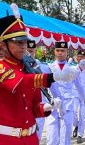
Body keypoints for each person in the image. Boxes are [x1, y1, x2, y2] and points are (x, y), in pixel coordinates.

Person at [0, 12, 59, 145]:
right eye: (18, 42)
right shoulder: (1, 66)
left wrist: (45, 108)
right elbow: (21, 82)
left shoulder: (28, 66)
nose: (23, 46)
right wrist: (51, 77)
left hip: (31, 138)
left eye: (25, 42)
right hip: (7, 140)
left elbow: (32, 107)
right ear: (3, 45)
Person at [45, 41, 85, 145]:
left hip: (67, 105)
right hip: (53, 105)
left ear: (67, 52)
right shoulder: (49, 67)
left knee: (65, 139)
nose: (60, 53)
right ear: (54, 51)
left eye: (63, 50)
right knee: (52, 138)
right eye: (58, 50)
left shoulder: (72, 69)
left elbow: (79, 86)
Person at [72, 50, 85, 144]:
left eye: (82, 57)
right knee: (73, 112)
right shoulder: (73, 69)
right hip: (75, 94)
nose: (80, 58)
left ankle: (80, 135)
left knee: (82, 115)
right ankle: (76, 125)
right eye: (79, 56)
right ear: (76, 57)